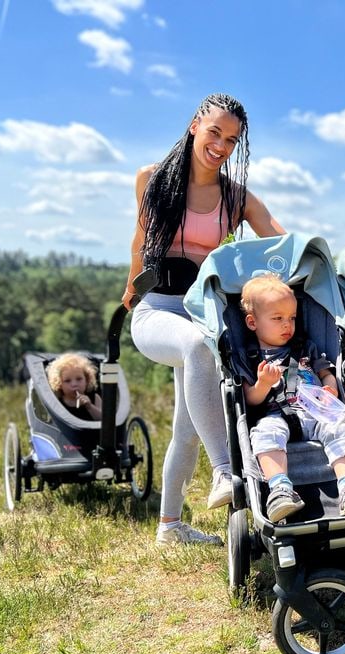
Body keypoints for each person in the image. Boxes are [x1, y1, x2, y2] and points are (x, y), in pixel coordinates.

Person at [123, 93, 285, 547]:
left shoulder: (235, 198)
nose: (221, 145)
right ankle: (224, 472)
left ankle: (169, 527)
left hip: (201, 315)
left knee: (188, 427)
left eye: (232, 140)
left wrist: (312, 260)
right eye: (214, 132)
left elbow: (278, 236)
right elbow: (139, 240)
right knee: (198, 348)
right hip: (157, 310)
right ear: (195, 124)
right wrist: (130, 288)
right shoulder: (151, 179)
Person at [240, 274, 345, 522]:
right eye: (277, 318)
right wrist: (263, 384)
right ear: (252, 322)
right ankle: (280, 489)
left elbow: (326, 373)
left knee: (340, 426)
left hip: (316, 412)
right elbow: (250, 400)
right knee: (263, 433)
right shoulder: (249, 356)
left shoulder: (305, 347)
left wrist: (330, 388)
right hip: (275, 414)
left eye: (291, 318)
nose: (287, 325)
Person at [48, 352, 102, 420]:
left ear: (87, 380)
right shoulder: (57, 402)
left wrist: (90, 407)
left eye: (79, 379)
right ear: (59, 384)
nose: (74, 384)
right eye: (67, 381)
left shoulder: (95, 397)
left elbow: (103, 420)